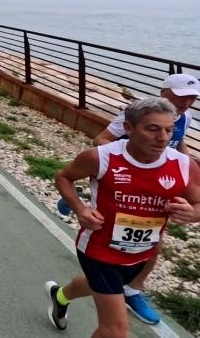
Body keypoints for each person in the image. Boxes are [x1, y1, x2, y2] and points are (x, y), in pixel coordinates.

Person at [45, 97, 200, 337]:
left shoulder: (183, 165)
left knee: (98, 284)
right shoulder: (100, 156)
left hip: (143, 252)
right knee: (115, 330)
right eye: (153, 129)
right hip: (99, 248)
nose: (163, 138)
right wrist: (80, 209)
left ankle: (60, 295)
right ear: (128, 128)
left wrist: (191, 214)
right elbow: (64, 177)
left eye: (169, 130)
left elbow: (198, 203)